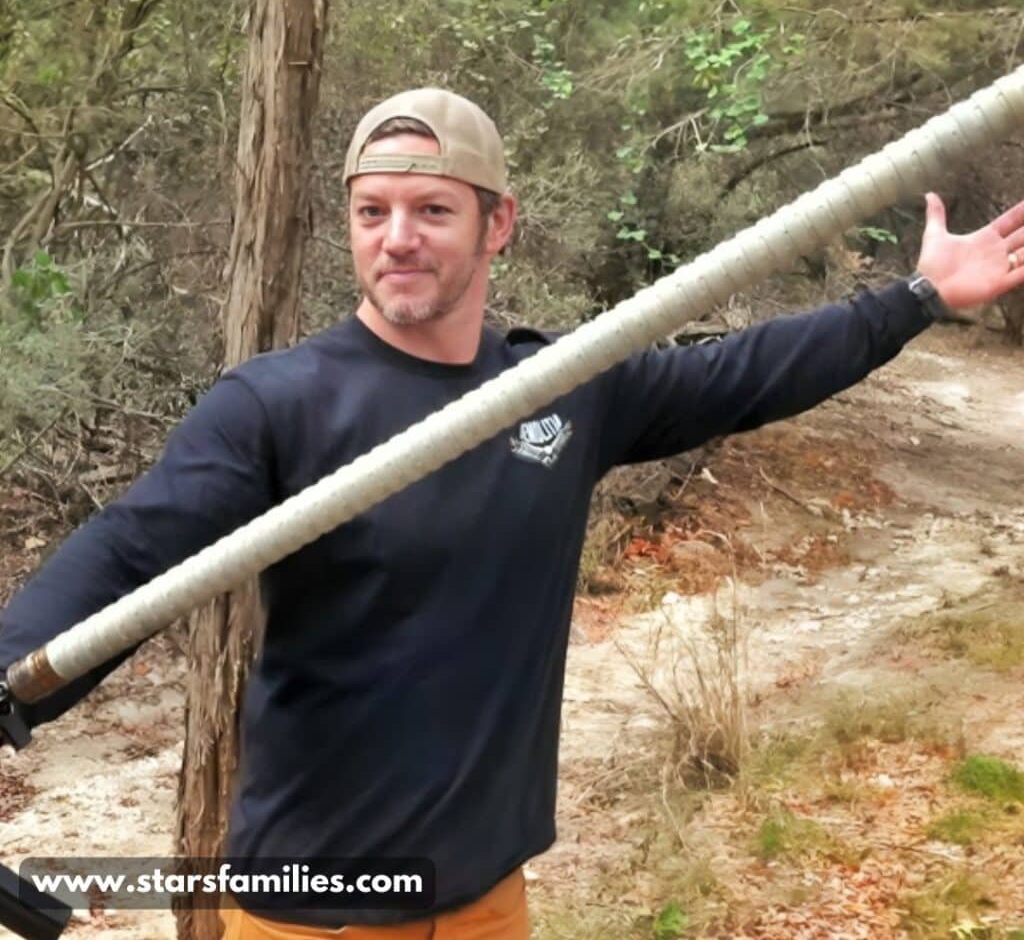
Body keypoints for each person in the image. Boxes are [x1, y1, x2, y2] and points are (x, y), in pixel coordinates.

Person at [2, 88, 1024, 940]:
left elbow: (742, 373)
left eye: (433, 211)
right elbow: (134, 551)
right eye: (373, 212)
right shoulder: (278, 404)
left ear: (498, 222)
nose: (397, 239)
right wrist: (8, 677)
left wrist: (915, 300)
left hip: (490, 901)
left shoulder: (564, 387)